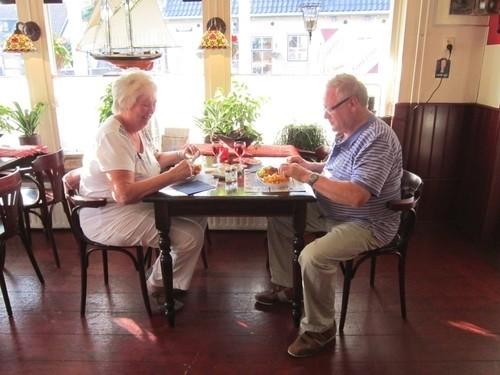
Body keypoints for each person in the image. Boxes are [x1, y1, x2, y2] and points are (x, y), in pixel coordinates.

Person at [255, 74, 403, 357]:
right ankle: (287, 287)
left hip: (368, 223)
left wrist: (307, 176)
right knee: (280, 217)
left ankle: (320, 329)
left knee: (313, 256)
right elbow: (336, 168)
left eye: (329, 108)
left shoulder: (377, 139)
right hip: (331, 209)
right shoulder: (347, 131)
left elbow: (357, 196)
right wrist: (309, 164)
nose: (325, 115)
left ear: (353, 103)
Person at [79, 69, 206, 310]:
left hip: (138, 205)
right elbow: (124, 194)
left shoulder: (136, 128)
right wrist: (172, 176)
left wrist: (180, 154)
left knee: (198, 215)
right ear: (125, 103)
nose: (151, 110)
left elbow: (152, 159)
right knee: (190, 236)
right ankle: (156, 287)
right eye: (144, 104)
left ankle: (168, 276)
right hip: (107, 214)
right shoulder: (112, 136)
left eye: (154, 103)